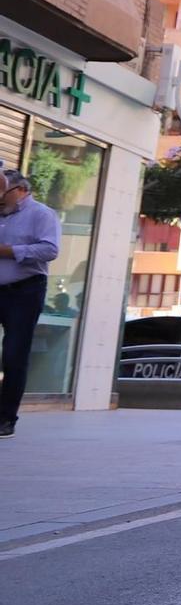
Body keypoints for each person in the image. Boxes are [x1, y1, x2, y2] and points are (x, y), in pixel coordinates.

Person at [0, 168, 61, 439]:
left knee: (14, 354)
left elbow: (50, 249)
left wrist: (10, 251)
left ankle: (5, 418)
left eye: (3, 192)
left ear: (20, 190)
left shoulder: (41, 214)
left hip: (24, 291)